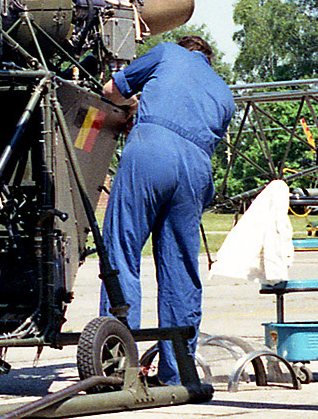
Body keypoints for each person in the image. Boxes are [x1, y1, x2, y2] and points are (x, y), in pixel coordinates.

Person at [100, 34, 235, 385]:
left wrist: (132, 107)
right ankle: (178, 374)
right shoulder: (224, 93)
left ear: (185, 49)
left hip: (151, 150)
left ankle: (118, 370)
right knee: (180, 270)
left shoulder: (167, 53)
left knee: (122, 253)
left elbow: (111, 90)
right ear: (208, 60)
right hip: (197, 168)